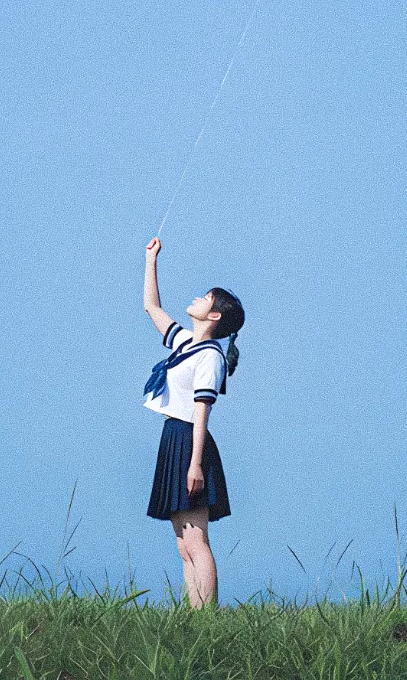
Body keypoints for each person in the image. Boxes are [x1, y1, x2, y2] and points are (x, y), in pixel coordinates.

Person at [142, 236, 245, 608]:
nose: (198, 299)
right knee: (183, 541)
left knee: (196, 540)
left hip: (190, 440)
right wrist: (151, 259)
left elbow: (202, 410)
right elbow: (151, 307)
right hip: (174, 436)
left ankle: (207, 620)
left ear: (214, 315)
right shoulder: (186, 342)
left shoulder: (211, 357)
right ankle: (195, 616)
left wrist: (195, 463)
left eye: (206, 298)